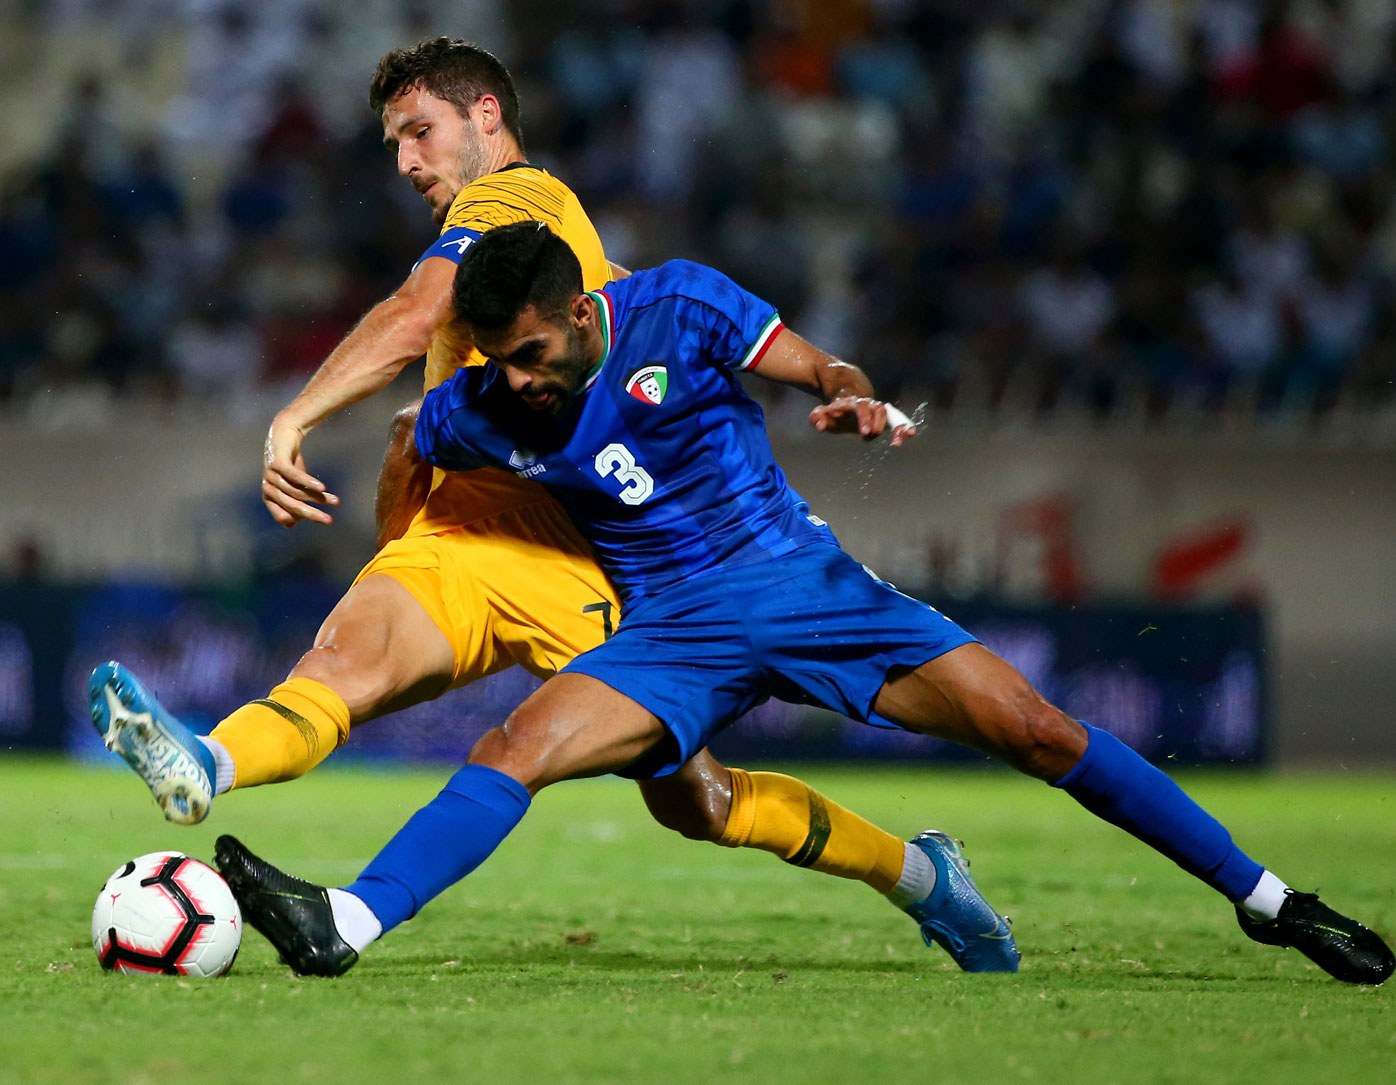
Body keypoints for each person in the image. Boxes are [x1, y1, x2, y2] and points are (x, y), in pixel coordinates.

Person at [212, 222, 1393, 985]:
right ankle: (345, 922)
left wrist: (852, 393)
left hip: (804, 584)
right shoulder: (476, 405)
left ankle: (1270, 900)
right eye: (494, 357)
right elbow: (416, 469)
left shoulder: (682, 307)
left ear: (580, 315)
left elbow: (820, 364)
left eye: (527, 353)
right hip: (670, 631)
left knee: (1036, 728)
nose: (513, 379)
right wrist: (396, 486)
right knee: (515, 745)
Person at [90, 39, 1017, 976]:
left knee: (701, 803)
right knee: (338, 667)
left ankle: (921, 875)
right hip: (458, 539)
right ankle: (206, 762)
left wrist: (291, 418)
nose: (406, 160)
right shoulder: (534, 250)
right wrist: (399, 549)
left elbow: (417, 313)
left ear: (486, 116)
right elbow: (415, 425)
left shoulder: (512, 199)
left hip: (572, 559)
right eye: (394, 142)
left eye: (420, 131)